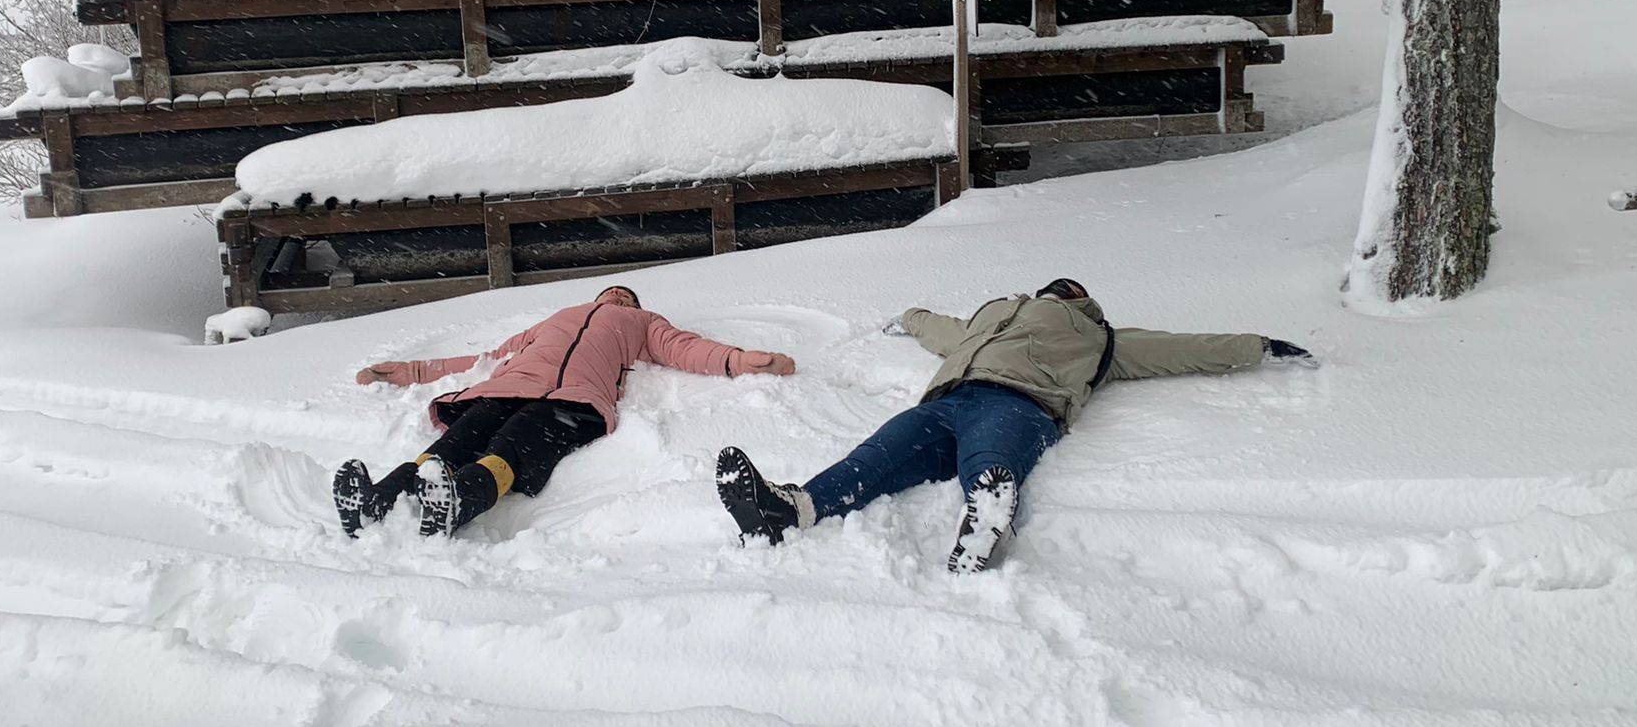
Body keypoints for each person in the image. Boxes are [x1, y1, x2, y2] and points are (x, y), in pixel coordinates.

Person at [715, 278, 1314, 573]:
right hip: (944, 401)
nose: (1058, 292)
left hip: (1021, 403)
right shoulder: (992, 317)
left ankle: (988, 511)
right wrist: (908, 317)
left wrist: (1256, 346)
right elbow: (942, 330)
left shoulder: (1100, 338)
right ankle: (790, 511)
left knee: (993, 459)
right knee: (870, 461)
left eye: (1068, 292)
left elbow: (1181, 347)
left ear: (1082, 304)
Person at [338, 284, 796, 538]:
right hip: (509, 385)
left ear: (634, 306)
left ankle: (457, 504)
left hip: (574, 400)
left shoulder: (643, 323)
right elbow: (492, 357)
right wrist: (412, 370)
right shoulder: (559, 316)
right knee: (451, 445)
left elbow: (684, 349)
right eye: (611, 293)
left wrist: (738, 361)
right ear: (596, 298)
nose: (617, 297)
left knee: (510, 448)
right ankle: (380, 500)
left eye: (625, 296)